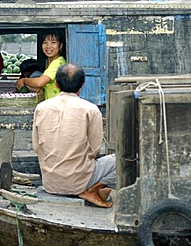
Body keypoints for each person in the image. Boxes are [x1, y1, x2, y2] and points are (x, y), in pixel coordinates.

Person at [32, 63, 116, 208]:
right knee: (125, 160)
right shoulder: (90, 109)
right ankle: (92, 189)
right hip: (80, 182)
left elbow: (36, 146)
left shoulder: (41, 108)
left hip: (51, 184)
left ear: (57, 84)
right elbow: (94, 150)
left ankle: (93, 189)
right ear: (82, 84)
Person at [15, 31, 66, 100]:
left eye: (53, 42)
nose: (48, 46)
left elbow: (39, 82)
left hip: (57, 107)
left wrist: (24, 80)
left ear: (60, 46)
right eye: (45, 42)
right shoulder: (52, 63)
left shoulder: (57, 63)